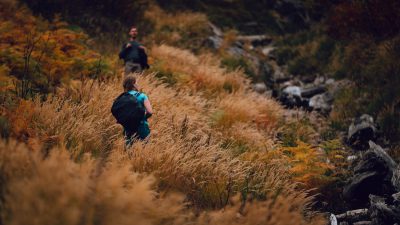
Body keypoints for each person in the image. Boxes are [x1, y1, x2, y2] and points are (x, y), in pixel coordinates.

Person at [122, 75, 153, 147]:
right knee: (145, 150)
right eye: (137, 82)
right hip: (142, 126)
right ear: (134, 84)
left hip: (128, 128)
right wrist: (142, 117)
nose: (138, 84)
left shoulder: (123, 97)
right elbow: (150, 112)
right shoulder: (142, 96)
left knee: (129, 151)